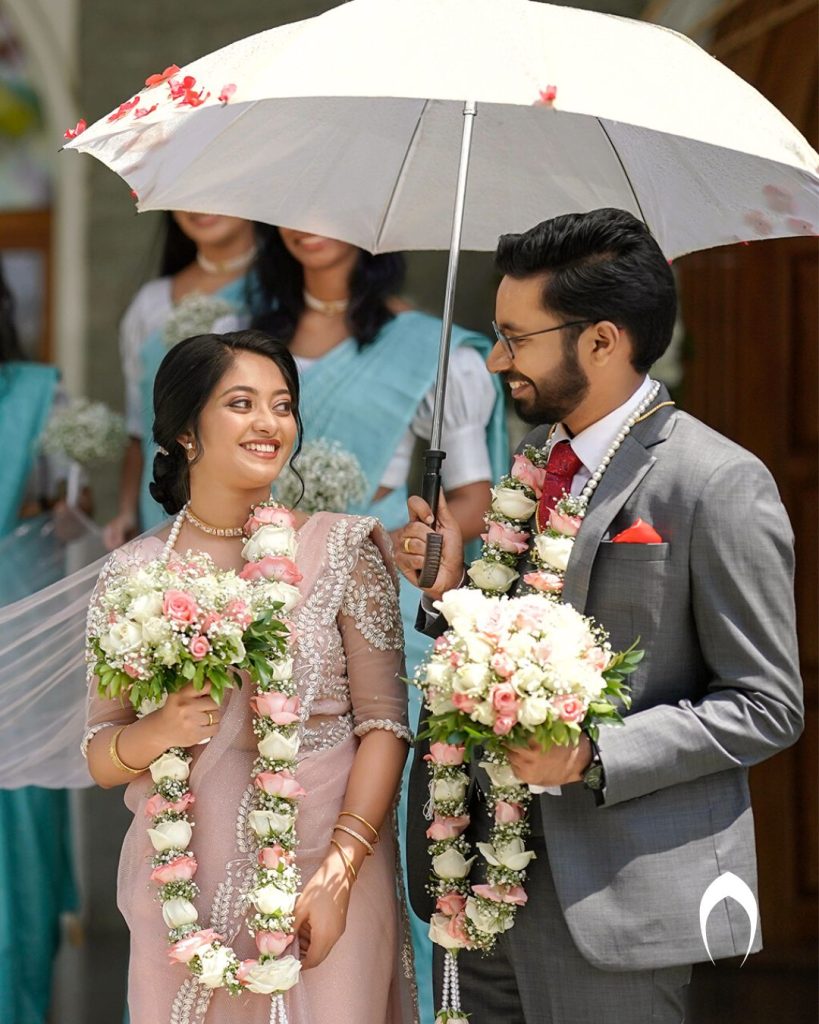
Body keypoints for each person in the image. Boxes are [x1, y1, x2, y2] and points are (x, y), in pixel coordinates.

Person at [396, 209, 804, 1024]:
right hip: (471, 871)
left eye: (518, 337)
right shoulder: (535, 461)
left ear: (602, 341)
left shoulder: (715, 481)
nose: (499, 358)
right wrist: (449, 591)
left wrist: (591, 753)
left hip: (614, 891)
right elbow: (511, 644)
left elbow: (767, 705)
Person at [83, 330, 415, 1024]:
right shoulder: (135, 575)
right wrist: (161, 731)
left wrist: (340, 871)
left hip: (327, 867)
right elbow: (101, 754)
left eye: (283, 405)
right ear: (184, 434)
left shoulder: (343, 546)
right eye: (242, 403)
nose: (269, 423)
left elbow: (385, 725)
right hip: (184, 876)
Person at [251, 228, 508, 1023]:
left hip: (378, 599)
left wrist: (410, 538)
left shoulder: (430, 353)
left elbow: (472, 496)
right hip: (262, 607)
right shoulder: (249, 349)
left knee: (390, 822)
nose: (309, 221)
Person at [0, 263, 78, 1023]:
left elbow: (64, 505)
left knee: (15, 850)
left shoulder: (36, 395)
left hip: (11, 655)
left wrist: (62, 509)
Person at [104, 212, 265, 548]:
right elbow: (139, 423)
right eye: (185, 199)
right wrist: (126, 511)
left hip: (255, 499)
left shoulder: (281, 294)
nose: (198, 208)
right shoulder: (151, 303)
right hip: (165, 497)